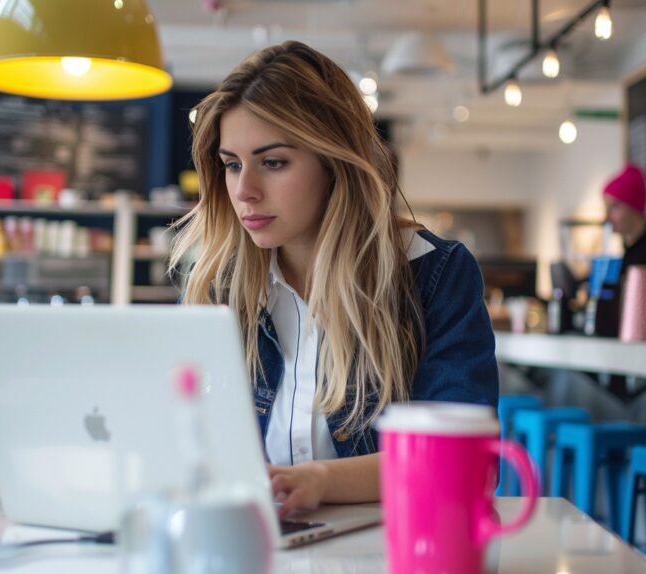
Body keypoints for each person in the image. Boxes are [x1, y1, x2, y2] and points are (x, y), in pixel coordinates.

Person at [169, 41, 497, 517]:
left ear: (335, 161)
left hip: (390, 549)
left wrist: (319, 481)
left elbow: (462, 461)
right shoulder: (216, 286)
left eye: (273, 162)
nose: (244, 191)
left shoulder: (433, 274)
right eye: (232, 164)